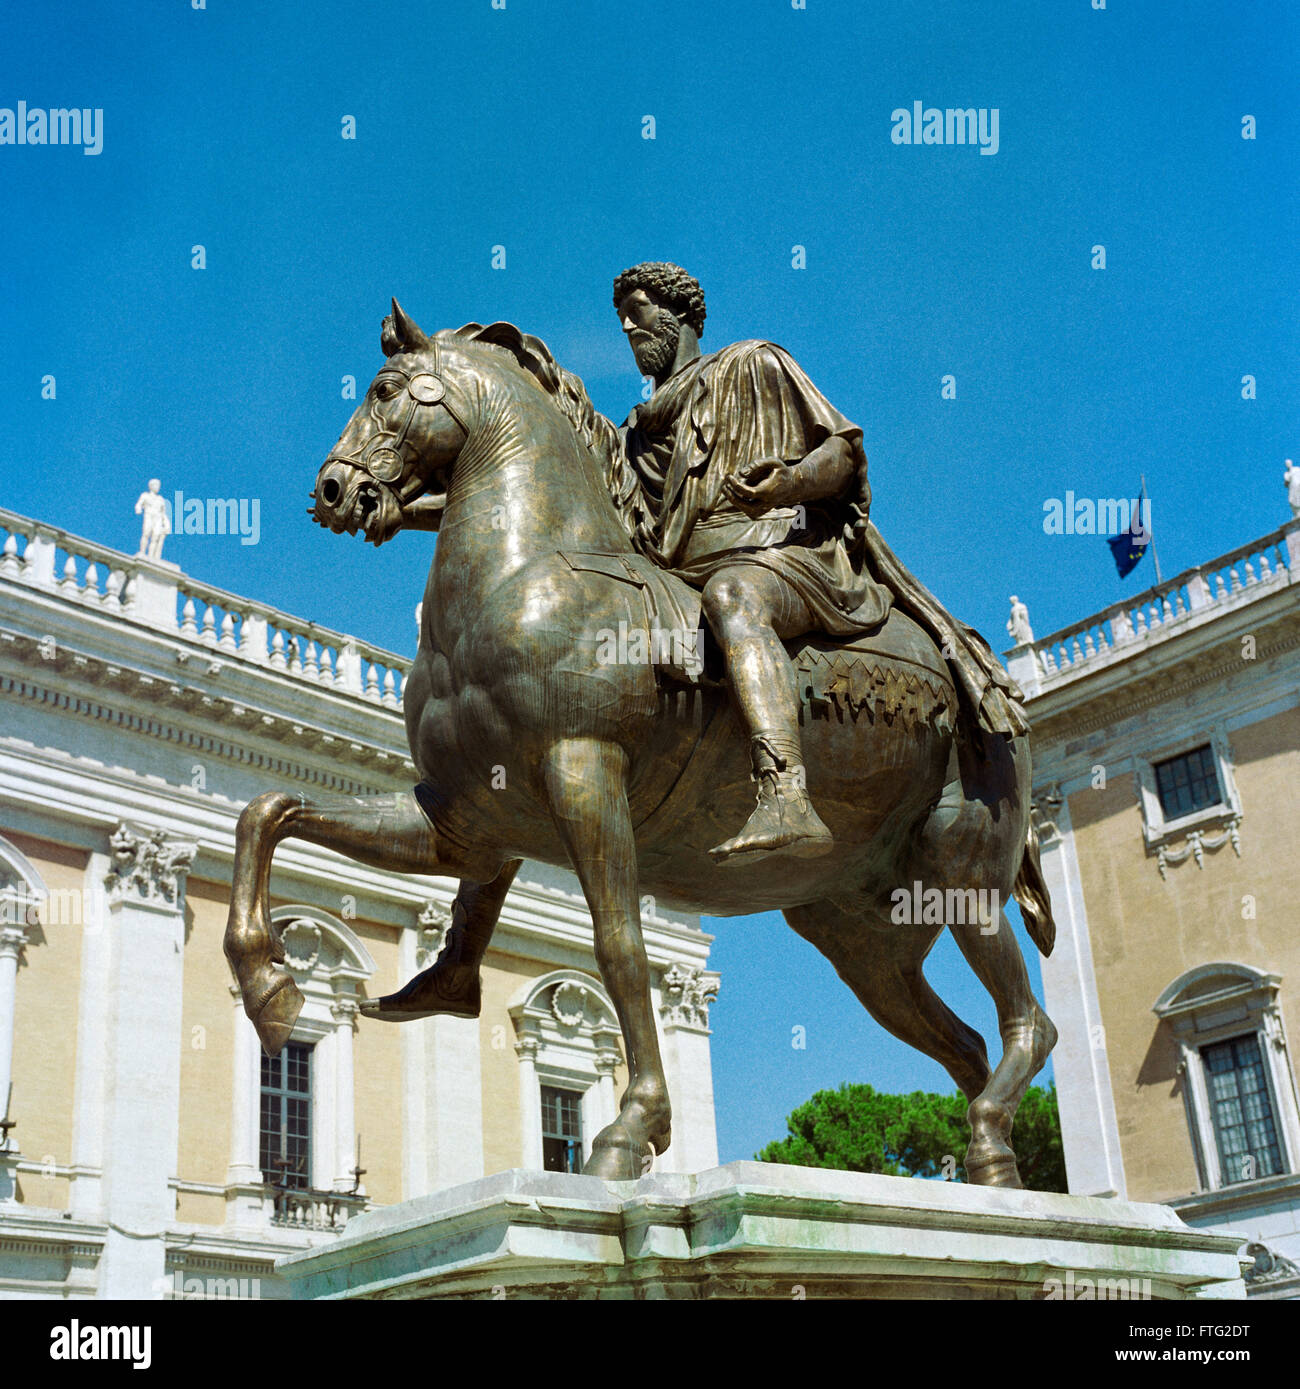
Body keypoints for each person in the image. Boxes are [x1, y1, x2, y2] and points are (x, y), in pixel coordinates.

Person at [612, 262, 1027, 865]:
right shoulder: (635, 431)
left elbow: (841, 451)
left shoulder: (754, 363)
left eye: (638, 308)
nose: (626, 325)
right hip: (680, 571)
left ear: (677, 313)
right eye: (620, 315)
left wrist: (791, 481)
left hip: (781, 553)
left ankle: (785, 792)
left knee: (732, 598)